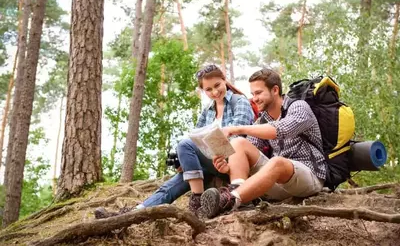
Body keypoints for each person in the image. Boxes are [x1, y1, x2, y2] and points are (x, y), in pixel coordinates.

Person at [95, 64, 254, 219]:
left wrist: (193, 151)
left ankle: (197, 201)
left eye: (217, 85)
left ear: (224, 79)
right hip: (211, 162)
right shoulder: (208, 110)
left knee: (184, 144)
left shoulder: (239, 101)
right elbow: (197, 137)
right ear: (203, 90)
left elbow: (238, 138)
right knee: (173, 182)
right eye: (208, 89)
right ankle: (134, 212)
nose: (214, 92)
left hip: (233, 165)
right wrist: (183, 161)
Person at [199, 68, 327, 218]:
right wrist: (228, 169)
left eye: (258, 93)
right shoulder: (262, 120)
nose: (254, 99)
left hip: (309, 177)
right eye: (253, 94)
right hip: (278, 183)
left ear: (275, 90)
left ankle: (229, 200)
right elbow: (247, 153)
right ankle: (239, 199)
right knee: (239, 143)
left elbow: (282, 130)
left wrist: (236, 128)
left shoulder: (298, 107)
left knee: (278, 162)